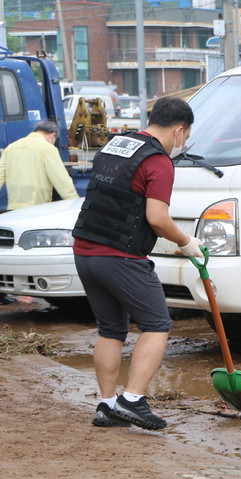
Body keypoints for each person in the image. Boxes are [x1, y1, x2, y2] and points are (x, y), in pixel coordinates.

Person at [72, 96, 204, 431]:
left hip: (85, 251)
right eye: (186, 136)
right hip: (120, 256)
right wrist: (186, 242)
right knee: (157, 324)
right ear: (179, 130)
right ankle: (132, 400)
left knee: (111, 329)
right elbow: (157, 218)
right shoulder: (158, 161)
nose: (182, 143)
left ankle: (108, 405)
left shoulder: (115, 146)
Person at [0, 120, 79, 210]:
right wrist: (75, 204)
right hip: (36, 209)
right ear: (53, 135)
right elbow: (61, 180)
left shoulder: (10, 148)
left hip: (13, 209)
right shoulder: (47, 148)